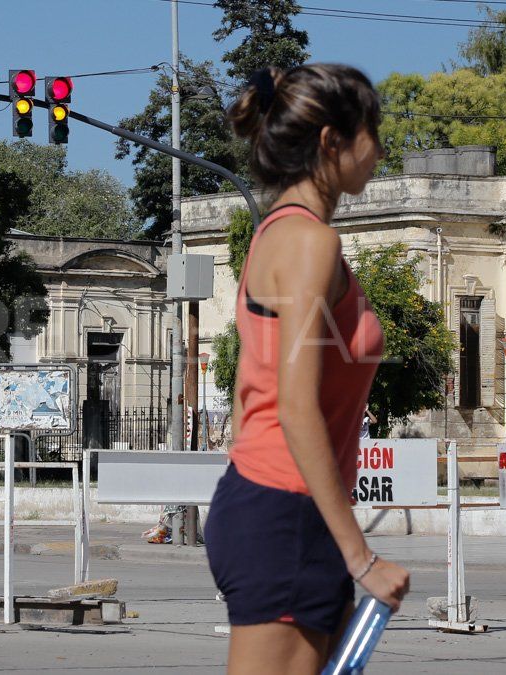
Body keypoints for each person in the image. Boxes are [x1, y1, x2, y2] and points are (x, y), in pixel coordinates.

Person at [204, 64, 410, 674]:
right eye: (372, 131)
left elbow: (249, 395)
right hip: (284, 512)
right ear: (332, 141)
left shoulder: (278, 233)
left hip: (283, 510)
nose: (380, 150)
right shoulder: (308, 242)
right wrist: (361, 558)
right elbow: (292, 406)